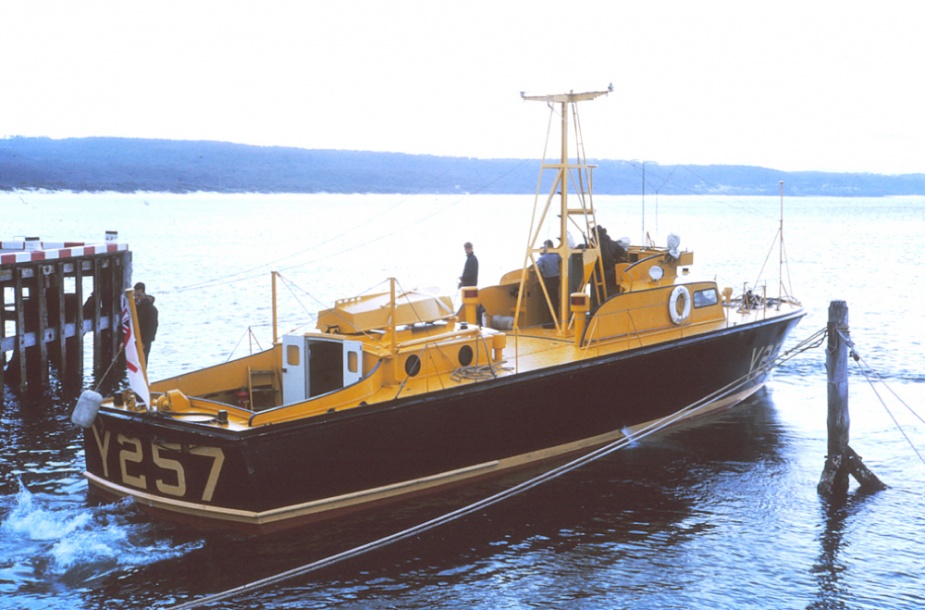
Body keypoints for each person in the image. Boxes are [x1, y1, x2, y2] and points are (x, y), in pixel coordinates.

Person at [133, 282, 158, 362]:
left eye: (139, 295)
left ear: (144, 293)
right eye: (135, 295)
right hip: (134, 338)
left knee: (142, 360)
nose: (137, 298)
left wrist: (144, 342)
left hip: (144, 340)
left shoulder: (151, 309)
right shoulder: (134, 306)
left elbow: (152, 327)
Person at [536, 239, 560, 313]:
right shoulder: (556, 256)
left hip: (548, 280)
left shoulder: (543, 258)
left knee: (549, 300)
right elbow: (560, 260)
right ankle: (556, 315)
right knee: (555, 299)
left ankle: (550, 320)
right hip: (556, 279)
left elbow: (538, 267)